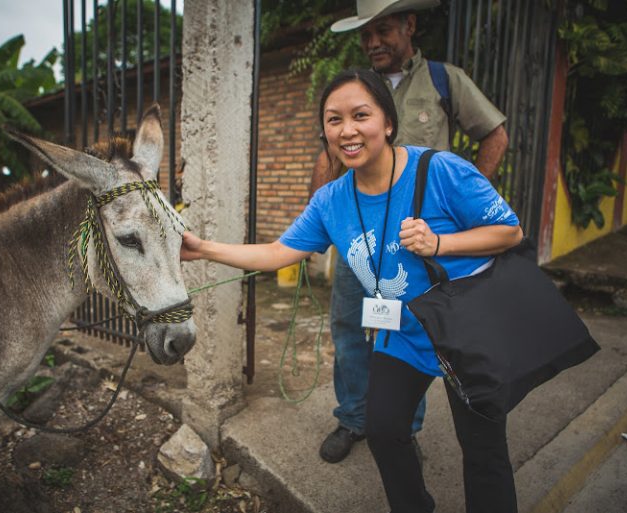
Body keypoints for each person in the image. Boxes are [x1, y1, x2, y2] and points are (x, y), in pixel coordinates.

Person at [182, 68, 522, 513]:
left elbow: (509, 232)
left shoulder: (440, 170)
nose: (347, 130)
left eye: (360, 115)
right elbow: (276, 252)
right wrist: (203, 249)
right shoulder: (330, 200)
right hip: (401, 335)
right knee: (383, 430)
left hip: (465, 330)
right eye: (333, 119)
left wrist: (439, 243)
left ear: (388, 123)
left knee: (483, 450)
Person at [312, 0, 509, 464]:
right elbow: (328, 156)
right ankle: (353, 417)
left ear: (410, 25)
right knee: (348, 330)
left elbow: (494, 135)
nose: (373, 42)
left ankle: (403, 428)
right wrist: (319, 224)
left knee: (409, 335)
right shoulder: (353, 87)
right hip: (357, 243)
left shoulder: (445, 80)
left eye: (382, 30)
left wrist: (466, 213)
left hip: (413, 249)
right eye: (365, 35)